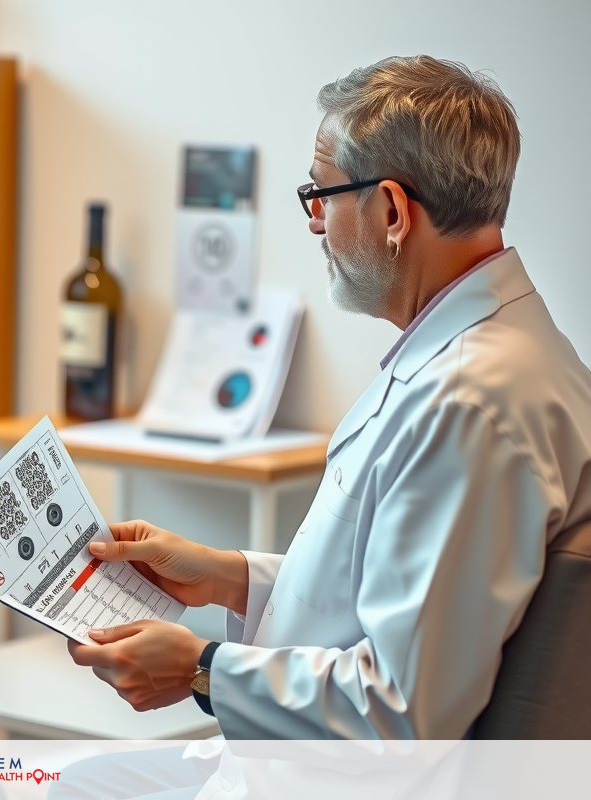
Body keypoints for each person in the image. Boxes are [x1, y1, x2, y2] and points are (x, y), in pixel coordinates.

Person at [65, 54, 591, 749]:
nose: (315, 222)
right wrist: (228, 577)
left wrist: (202, 669)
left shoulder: (470, 404)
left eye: (322, 194)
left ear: (393, 210)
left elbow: (401, 710)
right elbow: (400, 593)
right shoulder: (486, 353)